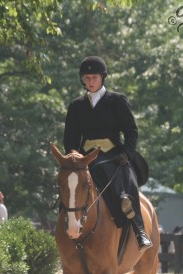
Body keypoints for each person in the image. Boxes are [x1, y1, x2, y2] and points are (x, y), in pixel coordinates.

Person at [63, 56, 152, 251]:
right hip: (86, 157)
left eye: (94, 77)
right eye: (86, 78)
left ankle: (139, 230)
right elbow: (70, 139)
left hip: (114, 154)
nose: (90, 82)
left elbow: (131, 131)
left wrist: (127, 153)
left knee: (128, 180)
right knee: (69, 185)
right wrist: (74, 158)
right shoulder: (76, 105)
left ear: (102, 77)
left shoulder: (117, 101)